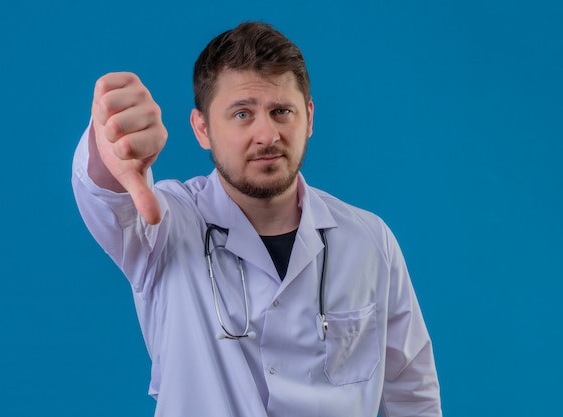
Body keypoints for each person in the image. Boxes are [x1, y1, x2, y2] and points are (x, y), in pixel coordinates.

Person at [72, 21, 442, 417]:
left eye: (282, 111)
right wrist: (106, 146)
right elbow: (109, 201)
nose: (267, 134)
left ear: (309, 117)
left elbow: (411, 391)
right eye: (242, 114)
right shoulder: (167, 227)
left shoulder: (369, 240)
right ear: (202, 129)